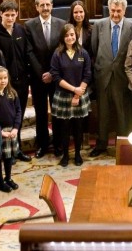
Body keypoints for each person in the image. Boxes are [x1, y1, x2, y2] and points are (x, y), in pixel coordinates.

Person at [89, 0, 132, 157]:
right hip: (102, 75)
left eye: (119, 11)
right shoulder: (98, 25)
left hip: (122, 77)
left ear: (125, 10)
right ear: (108, 10)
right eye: (113, 11)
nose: (116, 14)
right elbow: (94, 48)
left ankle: (123, 145)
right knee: (103, 112)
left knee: (122, 113)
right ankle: (101, 144)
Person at [0, 0, 36, 163]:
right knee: (3, 118)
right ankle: (2, 152)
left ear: (17, 14)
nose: (10, 18)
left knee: (19, 115)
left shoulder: (21, 30)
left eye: (13, 15)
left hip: (22, 81)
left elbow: (26, 54)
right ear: (1, 14)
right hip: (3, 84)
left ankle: (17, 149)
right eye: (7, 15)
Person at [25, 0, 66, 159]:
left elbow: (61, 50)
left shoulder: (61, 24)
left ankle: (58, 144)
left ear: (52, 5)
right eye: (41, 5)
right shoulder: (29, 25)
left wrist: (52, 72)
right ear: (37, 7)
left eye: (48, 5)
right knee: (40, 113)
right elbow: (29, 52)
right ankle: (42, 145)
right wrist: (42, 73)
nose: (45, 8)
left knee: (56, 112)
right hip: (38, 77)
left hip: (56, 77)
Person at [50, 24, 92, 167]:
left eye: (72, 35)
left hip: (80, 95)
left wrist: (78, 93)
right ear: (63, 37)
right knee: (64, 128)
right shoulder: (57, 54)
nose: (70, 37)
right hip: (63, 95)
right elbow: (55, 76)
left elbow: (87, 74)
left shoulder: (83, 53)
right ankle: (66, 155)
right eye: (67, 35)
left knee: (78, 128)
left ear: (76, 36)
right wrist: (74, 89)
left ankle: (78, 154)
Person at [0, 66, 22, 192]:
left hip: (11, 130)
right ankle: (0, 181)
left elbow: (18, 111)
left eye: (5, 78)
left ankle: (8, 178)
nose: (3, 81)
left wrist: (16, 128)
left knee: (8, 157)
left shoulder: (12, 93)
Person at [69, 0, 94, 150]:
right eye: (76, 12)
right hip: (70, 75)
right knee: (72, 108)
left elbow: (93, 52)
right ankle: (73, 137)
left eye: (81, 12)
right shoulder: (67, 29)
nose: (79, 15)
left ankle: (85, 136)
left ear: (85, 13)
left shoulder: (91, 29)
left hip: (86, 75)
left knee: (85, 107)